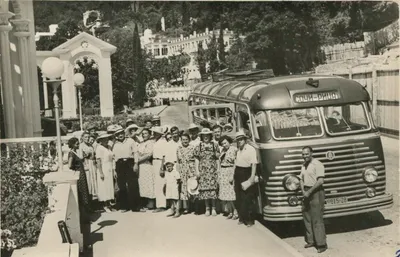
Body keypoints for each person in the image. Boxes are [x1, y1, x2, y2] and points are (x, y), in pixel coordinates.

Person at [299, 146, 327, 253]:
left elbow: (320, 181)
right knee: (306, 216)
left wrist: (309, 192)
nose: (304, 156)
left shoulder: (318, 164)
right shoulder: (303, 165)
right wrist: (303, 192)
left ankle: (321, 244)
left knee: (316, 218)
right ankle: (311, 240)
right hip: (306, 191)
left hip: (316, 192)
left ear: (311, 153)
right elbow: (301, 179)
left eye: (306, 154)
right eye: (303, 154)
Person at [112, 127, 141, 212]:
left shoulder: (130, 141)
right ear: (116, 136)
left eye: (121, 133)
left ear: (124, 133)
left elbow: (136, 152)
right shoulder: (115, 144)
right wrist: (114, 170)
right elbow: (114, 158)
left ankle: (135, 206)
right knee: (122, 186)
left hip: (129, 162)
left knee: (133, 184)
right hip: (119, 164)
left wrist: (136, 164)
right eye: (118, 134)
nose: (120, 135)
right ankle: (124, 206)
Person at [193, 128, 220, 216]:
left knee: (213, 189)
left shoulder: (214, 145)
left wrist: (218, 169)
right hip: (203, 170)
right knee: (205, 190)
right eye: (204, 135)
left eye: (207, 135)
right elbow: (196, 159)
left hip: (212, 170)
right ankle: (207, 208)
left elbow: (217, 159)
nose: (206, 137)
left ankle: (214, 208)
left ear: (210, 136)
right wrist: (197, 171)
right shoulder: (198, 146)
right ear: (201, 136)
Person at [234, 131, 258, 227]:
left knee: (248, 197)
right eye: (238, 140)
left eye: (241, 139)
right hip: (238, 172)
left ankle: (249, 220)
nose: (239, 141)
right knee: (239, 196)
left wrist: (252, 177)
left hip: (247, 172)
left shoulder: (251, 149)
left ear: (245, 139)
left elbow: (253, 164)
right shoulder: (238, 149)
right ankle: (242, 217)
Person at [68, 137, 92, 223]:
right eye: (77, 144)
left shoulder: (75, 152)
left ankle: (85, 218)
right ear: (73, 144)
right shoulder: (71, 153)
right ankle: (83, 219)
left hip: (82, 174)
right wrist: (76, 168)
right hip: (79, 175)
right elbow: (70, 165)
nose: (78, 145)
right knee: (82, 195)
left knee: (84, 194)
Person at [218, 135, 238, 220]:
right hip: (223, 172)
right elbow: (220, 162)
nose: (224, 145)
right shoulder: (222, 150)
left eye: (225, 143)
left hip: (230, 171)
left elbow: (235, 163)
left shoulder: (234, 149)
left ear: (229, 142)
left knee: (232, 194)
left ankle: (236, 212)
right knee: (226, 195)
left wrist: (232, 175)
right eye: (222, 144)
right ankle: (230, 211)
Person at [176, 133, 196, 214]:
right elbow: (177, 161)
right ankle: (187, 207)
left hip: (191, 170)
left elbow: (195, 159)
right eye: (183, 139)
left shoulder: (192, 148)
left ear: (189, 140)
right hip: (182, 170)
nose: (185, 141)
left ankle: (194, 207)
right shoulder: (178, 148)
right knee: (184, 189)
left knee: (192, 187)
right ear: (181, 140)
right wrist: (178, 172)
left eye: (186, 139)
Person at [95, 132, 115, 213]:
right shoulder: (99, 148)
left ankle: (109, 204)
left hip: (109, 168)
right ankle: (105, 205)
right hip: (103, 168)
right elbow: (98, 161)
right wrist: (101, 172)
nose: (106, 140)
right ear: (101, 140)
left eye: (107, 139)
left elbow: (112, 158)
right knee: (104, 187)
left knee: (109, 186)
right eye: (104, 139)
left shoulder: (108, 147)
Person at [137, 128, 155, 211]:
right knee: (142, 183)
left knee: (149, 183)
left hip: (147, 164)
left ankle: (151, 203)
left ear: (149, 134)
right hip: (140, 166)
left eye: (146, 133)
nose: (144, 135)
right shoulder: (141, 143)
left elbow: (148, 155)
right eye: (143, 134)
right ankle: (145, 202)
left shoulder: (151, 143)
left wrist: (137, 161)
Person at [151, 126, 168, 212]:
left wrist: (162, 167)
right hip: (155, 162)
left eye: (155, 132)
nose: (153, 134)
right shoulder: (156, 141)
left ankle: (161, 205)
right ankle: (159, 204)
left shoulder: (163, 142)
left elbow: (164, 155)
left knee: (161, 184)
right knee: (157, 184)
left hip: (160, 162)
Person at [80, 131, 98, 201]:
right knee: (88, 182)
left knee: (94, 180)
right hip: (87, 164)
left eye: (88, 137)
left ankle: (95, 199)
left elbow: (94, 155)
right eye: (85, 137)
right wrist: (86, 155)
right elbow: (81, 157)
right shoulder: (81, 145)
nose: (87, 139)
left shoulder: (91, 145)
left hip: (93, 164)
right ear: (82, 138)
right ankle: (88, 200)